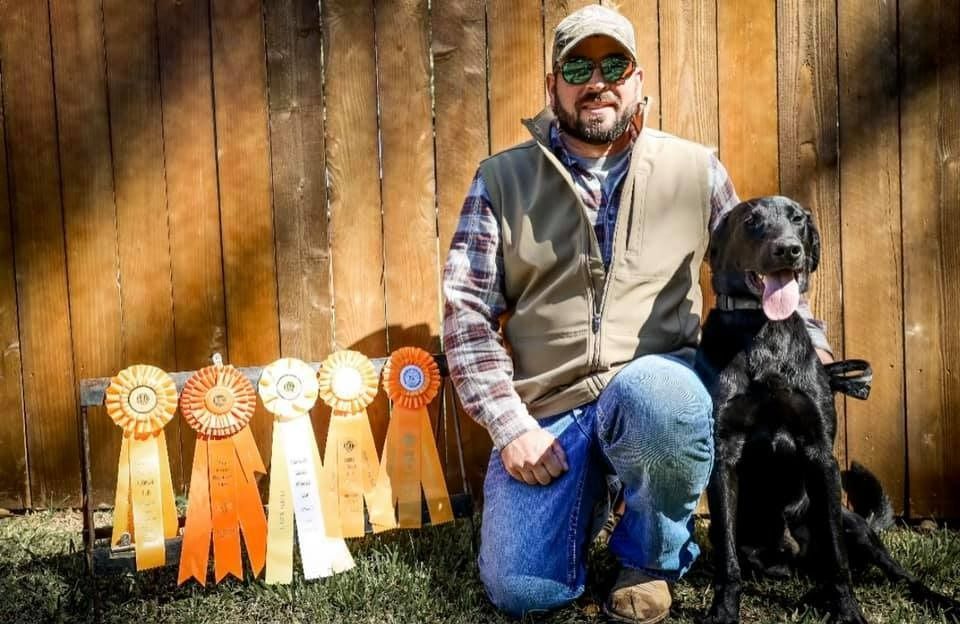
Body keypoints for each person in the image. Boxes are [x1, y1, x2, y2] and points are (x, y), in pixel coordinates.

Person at [441, 6, 833, 623]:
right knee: (524, 594)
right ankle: (589, 496)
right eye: (577, 66)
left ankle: (649, 558)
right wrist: (510, 426)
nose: (596, 81)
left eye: (613, 64)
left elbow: (762, 270)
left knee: (665, 397)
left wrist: (809, 340)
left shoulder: (695, 170)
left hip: (656, 390)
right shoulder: (501, 179)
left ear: (638, 79)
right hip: (550, 407)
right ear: (553, 86)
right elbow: (466, 313)